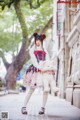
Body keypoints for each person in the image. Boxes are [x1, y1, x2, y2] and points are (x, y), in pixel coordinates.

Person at [21, 33, 55, 115]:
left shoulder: (45, 50)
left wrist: (49, 68)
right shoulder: (32, 49)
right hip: (36, 71)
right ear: (35, 40)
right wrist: (39, 68)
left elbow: (48, 60)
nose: (38, 42)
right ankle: (23, 107)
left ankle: (42, 108)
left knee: (46, 89)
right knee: (31, 89)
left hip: (44, 71)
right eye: (36, 40)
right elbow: (34, 60)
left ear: (42, 41)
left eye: (39, 40)